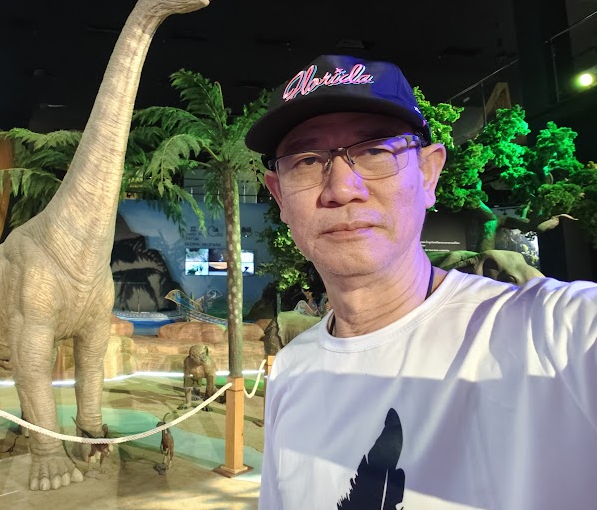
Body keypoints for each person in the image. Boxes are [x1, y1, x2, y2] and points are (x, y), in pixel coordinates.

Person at [244, 54, 597, 510]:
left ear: (428, 173)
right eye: (308, 160)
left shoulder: (548, 337)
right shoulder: (293, 370)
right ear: (279, 196)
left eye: (375, 151)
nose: (342, 188)